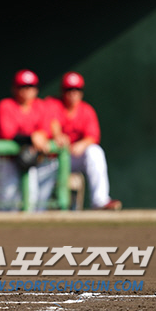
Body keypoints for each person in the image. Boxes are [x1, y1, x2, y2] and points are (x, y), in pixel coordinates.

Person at [44, 72, 122, 210]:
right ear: (62, 91)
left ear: (81, 92)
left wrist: (82, 144)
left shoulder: (86, 110)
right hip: (52, 160)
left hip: (74, 157)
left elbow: (93, 136)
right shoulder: (53, 104)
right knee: (37, 202)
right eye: (69, 89)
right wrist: (57, 134)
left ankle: (100, 200)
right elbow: (51, 122)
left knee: (95, 152)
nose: (73, 93)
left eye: (77, 89)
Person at [0, 69, 58, 211]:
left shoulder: (40, 106)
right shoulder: (6, 105)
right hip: (6, 161)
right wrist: (32, 137)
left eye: (30, 86)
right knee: (6, 202)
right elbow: (8, 134)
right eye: (22, 86)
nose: (27, 90)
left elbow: (45, 132)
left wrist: (39, 137)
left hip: (31, 160)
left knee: (33, 200)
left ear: (36, 89)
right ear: (14, 88)